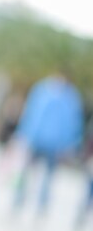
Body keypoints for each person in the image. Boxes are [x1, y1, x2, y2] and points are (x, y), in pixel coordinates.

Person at [11, 71, 84, 218]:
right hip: (36, 139)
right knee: (26, 172)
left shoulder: (70, 99)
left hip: (54, 145)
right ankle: (19, 201)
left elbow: (73, 125)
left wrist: (70, 145)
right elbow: (30, 114)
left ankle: (41, 206)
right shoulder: (42, 91)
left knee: (47, 178)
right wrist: (23, 134)